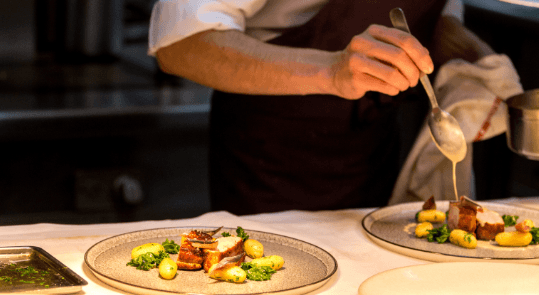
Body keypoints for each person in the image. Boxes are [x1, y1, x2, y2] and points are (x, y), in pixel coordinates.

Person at [148, 0, 509, 215]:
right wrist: (331, 71)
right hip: (272, 159)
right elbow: (181, 43)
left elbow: (435, 18)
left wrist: (481, 64)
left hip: (371, 154)